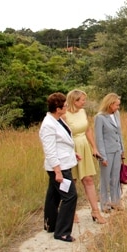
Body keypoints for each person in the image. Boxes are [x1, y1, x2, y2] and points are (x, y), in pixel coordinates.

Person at [38, 92, 79, 242]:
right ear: (58, 108)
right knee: (70, 196)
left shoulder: (58, 120)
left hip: (64, 162)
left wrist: (73, 154)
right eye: (65, 105)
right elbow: (50, 150)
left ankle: (50, 224)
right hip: (58, 167)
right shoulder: (48, 125)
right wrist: (58, 171)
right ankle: (62, 232)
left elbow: (63, 142)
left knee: (53, 196)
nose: (67, 107)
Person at [64, 89, 107, 224]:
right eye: (82, 100)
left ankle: (95, 211)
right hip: (71, 148)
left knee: (88, 179)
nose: (84, 102)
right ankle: (71, 211)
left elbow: (87, 129)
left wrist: (94, 147)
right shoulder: (64, 115)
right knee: (73, 180)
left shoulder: (82, 112)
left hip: (84, 146)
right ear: (74, 100)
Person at [94, 93, 125, 213]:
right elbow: (99, 138)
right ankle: (105, 204)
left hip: (117, 150)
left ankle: (116, 202)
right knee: (105, 179)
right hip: (106, 152)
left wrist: (122, 149)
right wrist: (102, 156)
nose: (118, 107)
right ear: (110, 104)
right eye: (117, 105)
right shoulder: (100, 117)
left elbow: (119, 133)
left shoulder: (117, 114)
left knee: (115, 178)